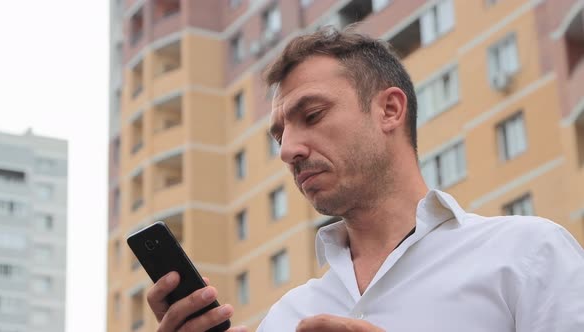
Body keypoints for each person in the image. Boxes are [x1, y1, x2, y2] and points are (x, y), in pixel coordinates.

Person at [146, 27, 584, 332]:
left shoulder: (527, 255)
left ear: (389, 111)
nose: (287, 150)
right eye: (279, 135)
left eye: (312, 115)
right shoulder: (286, 316)